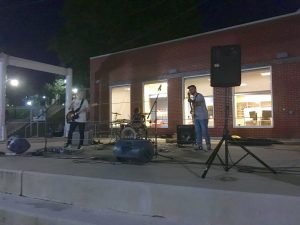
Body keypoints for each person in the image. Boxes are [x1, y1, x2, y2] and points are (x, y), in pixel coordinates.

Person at [187, 85, 211, 151]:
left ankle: (208, 145)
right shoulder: (194, 97)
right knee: (198, 132)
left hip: (202, 117)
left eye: (191, 89)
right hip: (196, 117)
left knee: (204, 131)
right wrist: (192, 110)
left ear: (195, 89)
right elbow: (195, 106)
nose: (190, 91)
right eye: (190, 90)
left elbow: (198, 103)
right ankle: (199, 145)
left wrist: (191, 101)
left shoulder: (199, 95)